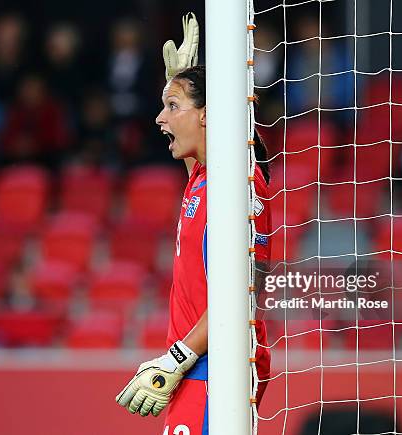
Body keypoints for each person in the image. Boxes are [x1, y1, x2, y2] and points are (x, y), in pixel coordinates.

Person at [116, 14, 271, 434]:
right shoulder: (204, 177)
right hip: (199, 364)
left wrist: (176, 358)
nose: (159, 120)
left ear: (207, 114)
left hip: (217, 365)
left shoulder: (241, 184)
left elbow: (241, 292)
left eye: (173, 106)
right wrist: (177, 79)